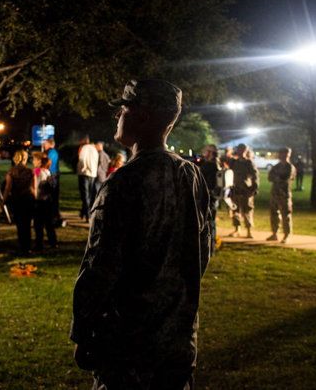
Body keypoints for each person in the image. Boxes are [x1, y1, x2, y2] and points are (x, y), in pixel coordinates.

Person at [71, 79, 211, 389]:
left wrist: (83, 330)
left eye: (123, 109)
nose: (118, 117)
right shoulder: (191, 176)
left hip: (128, 349)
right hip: (178, 341)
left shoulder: (123, 183)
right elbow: (203, 251)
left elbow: (100, 266)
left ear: (143, 117)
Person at [3, 150, 34, 255]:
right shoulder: (30, 172)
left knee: (20, 224)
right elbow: (33, 187)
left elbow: (8, 187)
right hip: (28, 199)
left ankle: (22, 245)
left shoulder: (12, 172)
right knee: (27, 224)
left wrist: (4, 199)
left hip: (17, 199)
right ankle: (28, 246)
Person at [228, 143, 259, 238]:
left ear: (246, 151)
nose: (240, 151)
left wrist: (254, 188)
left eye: (243, 149)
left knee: (247, 210)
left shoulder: (249, 163)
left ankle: (249, 231)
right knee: (235, 210)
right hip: (235, 189)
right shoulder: (234, 162)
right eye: (239, 149)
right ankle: (237, 229)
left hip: (246, 190)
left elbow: (255, 176)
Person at [267, 147, 297, 243]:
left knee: (286, 215)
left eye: (286, 154)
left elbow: (286, 178)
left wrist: (277, 178)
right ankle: (274, 233)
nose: (283, 156)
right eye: (282, 154)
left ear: (288, 155)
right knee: (273, 214)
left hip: (284, 194)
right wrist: (277, 178)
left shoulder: (290, 167)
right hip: (275, 193)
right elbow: (270, 177)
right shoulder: (276, 167)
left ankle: (286, 235)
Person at [32, 151, 57, 250]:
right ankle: (53, 242)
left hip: (39, 200)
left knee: (38, 225)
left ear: (39, 161)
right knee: (48, 223)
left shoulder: (37, 171)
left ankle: (39, 244)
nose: (33, 161)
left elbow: (34, 185)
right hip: (47, 201)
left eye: (34, 159)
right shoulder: (47, 171)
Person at [200, 144, 221, 254]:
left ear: (210, 153)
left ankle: (209, 248)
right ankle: (211, 247)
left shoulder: (209, 165)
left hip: (209, 198)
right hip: (213, 198)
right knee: (211, 222)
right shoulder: (216, 164)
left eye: (206, 150)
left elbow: (207, 183)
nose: (204, 152)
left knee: (209, 223)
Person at [77, 136, 98, 221]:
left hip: (84, 173)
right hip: (92, 173)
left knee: (85, 195)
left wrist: (83, 168)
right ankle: (83, 213)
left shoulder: (84, 148)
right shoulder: (94, 149)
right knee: (89, 194)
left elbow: (81, 159)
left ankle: (87, 215)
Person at [43, 138, 62, 223]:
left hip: (52, 175)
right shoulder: (53, 152)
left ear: (50, 144)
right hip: (53, 175)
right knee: (53, 196)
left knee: (52, 196)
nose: (44, 145)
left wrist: (39, 170)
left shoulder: (51, 152)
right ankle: (55, 214)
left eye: (45, 144)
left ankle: (54, 215)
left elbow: (47, 163)